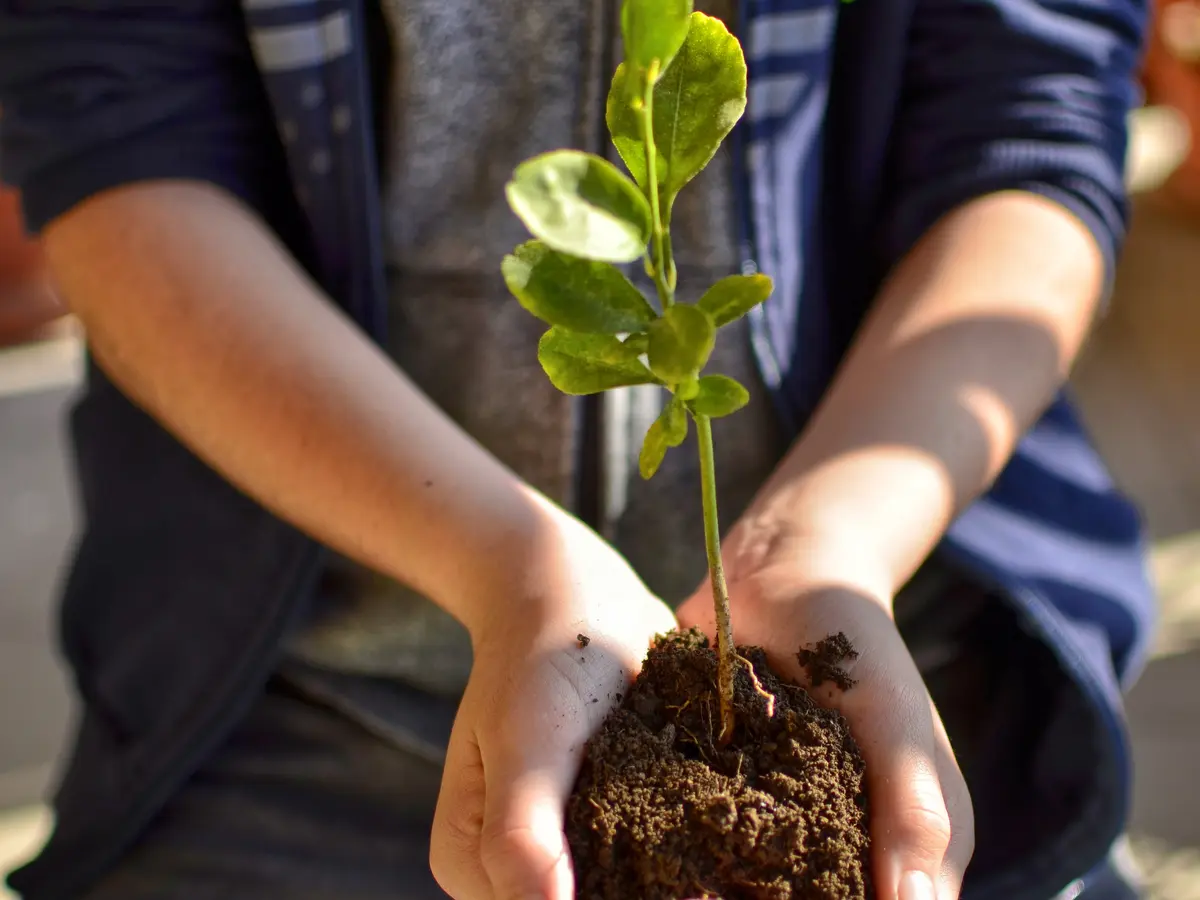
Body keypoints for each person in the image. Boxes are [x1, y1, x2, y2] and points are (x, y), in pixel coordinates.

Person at [0, 0, 1155, 898]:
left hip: (911, 667)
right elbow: (117, 150)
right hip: (298, 697)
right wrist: (505, 564)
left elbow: (1029, 140)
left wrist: (829, 543)